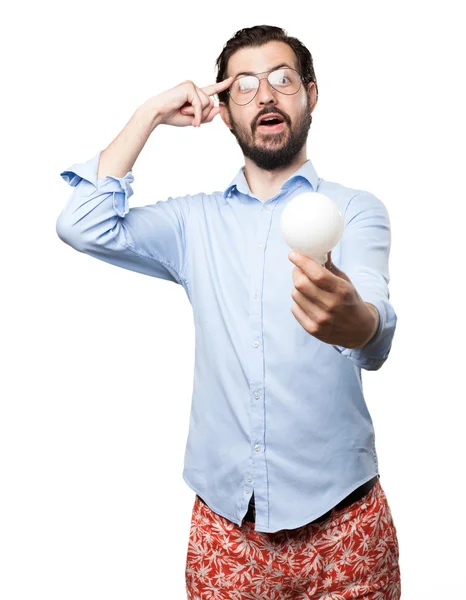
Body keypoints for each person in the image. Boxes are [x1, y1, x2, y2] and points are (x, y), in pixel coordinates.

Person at [57, 24, 400, 600]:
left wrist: (358, 322)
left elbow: (373, 321)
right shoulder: (193, 223)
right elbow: (81, 224)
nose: (265, 95)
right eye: (244, 85)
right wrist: (148, 115)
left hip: (346, 523)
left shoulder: (353, 210)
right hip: (226, 529)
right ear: (223, 108)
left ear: (311, 95)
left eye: (282, 79)